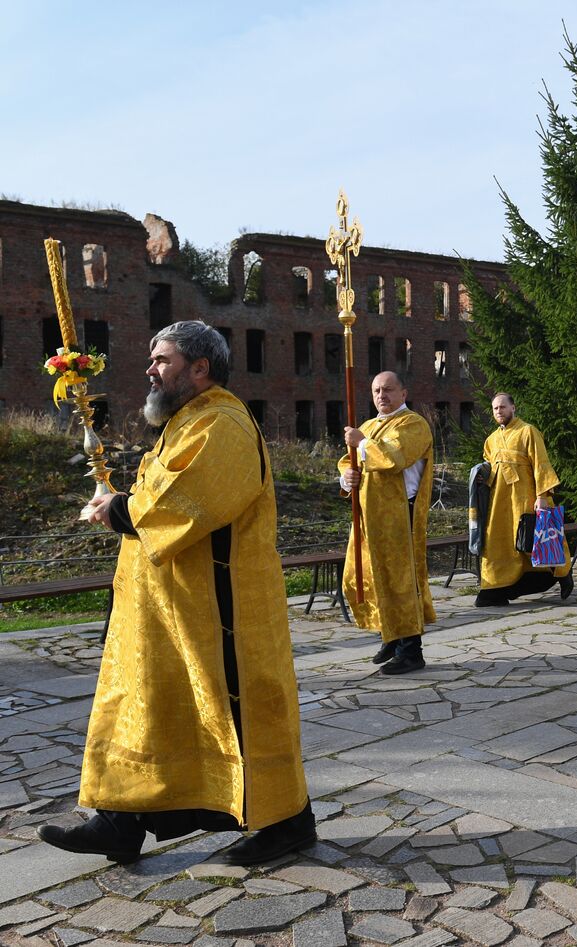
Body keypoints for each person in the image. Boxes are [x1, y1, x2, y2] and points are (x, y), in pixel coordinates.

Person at [40, 321, 314, 865]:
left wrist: (118, 510)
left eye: (161, 359)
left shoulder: (224, 422)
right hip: (171, 607)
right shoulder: (186, 421)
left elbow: (192, 499)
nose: (150, 368)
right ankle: (121, 821)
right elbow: (159, 490)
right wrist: (120, 499)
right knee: (148, 708)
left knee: (238, 713)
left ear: (200, 367)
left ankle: (288, 823)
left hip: (221, 612)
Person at [339, 372, 435, 674]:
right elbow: (348, 461)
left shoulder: (413, 424)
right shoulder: (367, 426)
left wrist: (362, 444)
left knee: (399, 581)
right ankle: (390, 634)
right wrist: (347, 478)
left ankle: (411, 649)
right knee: (367, 576)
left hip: (398, 515)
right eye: (377, 391)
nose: (382, 395)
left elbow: (395, 457)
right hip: (369, 515)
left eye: (389, 390)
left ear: (403, 393)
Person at [477, 393, 574, 605]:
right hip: (500, 504)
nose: (499, 411)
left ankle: (563, 574)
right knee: (500, 544)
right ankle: (498, 588)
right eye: (495, 409)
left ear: (513, 408)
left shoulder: (528, 431)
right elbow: (486, 468)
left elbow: (541, 464)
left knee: (539, 540)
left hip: (527, 498)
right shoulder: (491, 440)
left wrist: (542, 496)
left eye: (503, 407)